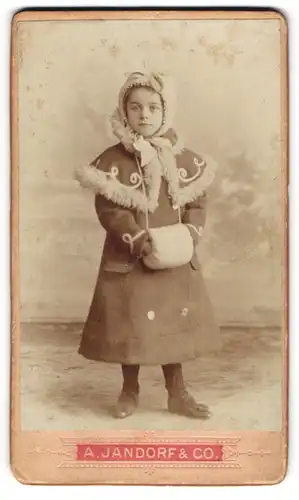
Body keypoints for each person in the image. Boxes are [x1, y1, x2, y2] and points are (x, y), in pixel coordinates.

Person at [75, 71, 220, 420]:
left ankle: (177, 392)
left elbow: (196, 202)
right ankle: (130, 389)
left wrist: (191, 233)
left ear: (165, 111)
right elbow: (109, 209)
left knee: (172, 324)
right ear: (124, 112)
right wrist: (136, 238)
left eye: (153, 107)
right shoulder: (113, 160)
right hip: (131, 256)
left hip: (172, 254)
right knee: (131, 326)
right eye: (136, 107)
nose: (144, 115)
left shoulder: (181, 157)